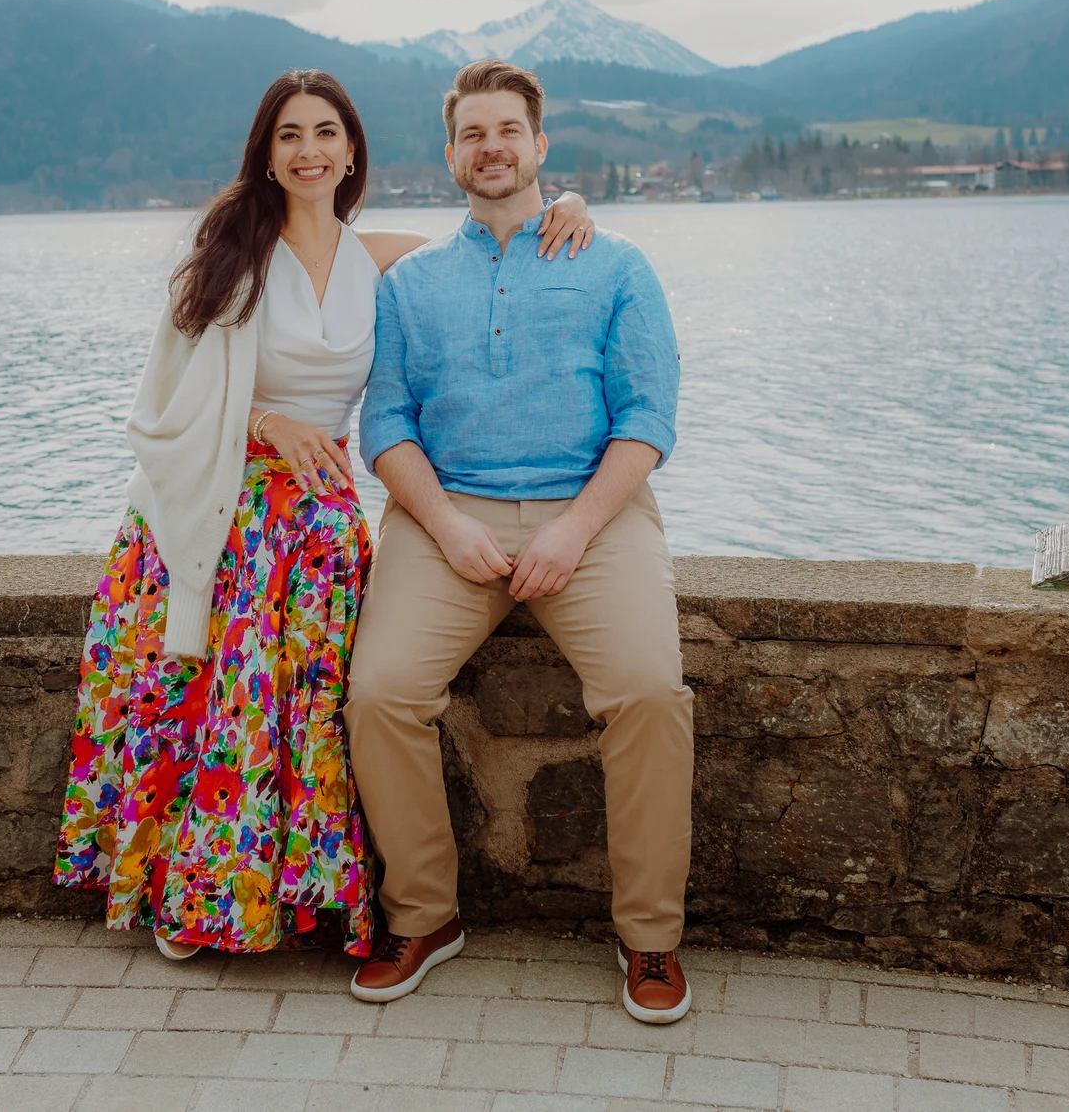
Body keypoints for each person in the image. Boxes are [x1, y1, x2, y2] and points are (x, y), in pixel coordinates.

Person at [53, 68, 595, 960]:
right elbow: (167, 396)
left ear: (352, 151)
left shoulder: (379, 257)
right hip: (217, 513)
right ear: (267, 156)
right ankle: (189, 894)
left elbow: (499, 232)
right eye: (290, 136)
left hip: (315, 527)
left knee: (292, 718)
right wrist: (265, 419)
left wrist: (568, 200)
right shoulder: (230, 251)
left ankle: (270, 893)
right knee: (208, 710)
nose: (310, 151)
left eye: (326, 134)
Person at [345, 59, 694, 1023]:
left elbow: (649, 419)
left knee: (650, 694)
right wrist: (447, 526)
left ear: (541, 145)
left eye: (509, 130)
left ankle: (650, 937)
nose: (491, 147)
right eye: (472, 133)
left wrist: (575, 531)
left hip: (594, 514)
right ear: (451, 152)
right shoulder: (411, 282)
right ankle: (424, 914)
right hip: (443, 514)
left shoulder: (615, 264)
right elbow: (387, 423)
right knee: (379, 693)